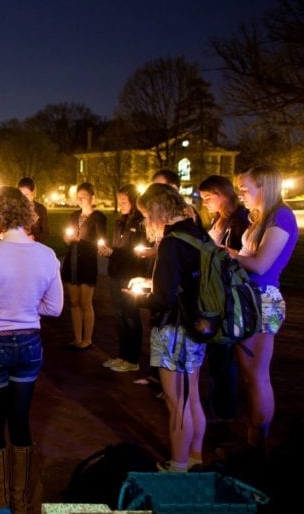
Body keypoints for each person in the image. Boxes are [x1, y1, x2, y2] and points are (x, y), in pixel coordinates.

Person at [0, 186, 63, 514]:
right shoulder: (47, 255)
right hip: (29, 344)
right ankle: (20, 502)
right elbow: (55, 307)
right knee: (20, 420)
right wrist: (25, 306)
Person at [134, 183, 207, 472]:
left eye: (145, 213)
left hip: (173, 329)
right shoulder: (198, 233)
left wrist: (140, 297)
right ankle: (195, 457)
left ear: (157, 209)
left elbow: (163, 298)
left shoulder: (172, 242)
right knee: (193, 396)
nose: (145, 221)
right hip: (197, 325)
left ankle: (177, 466)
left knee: (177, 403)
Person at [229, 165, 298, 453]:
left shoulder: (281, 216)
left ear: (264, 187)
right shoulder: (262, 218)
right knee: (250, 376)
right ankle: (253, 438)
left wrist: (227, 254)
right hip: (250, 299)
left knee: (257, 376)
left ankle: (258, 445)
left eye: (245, 189)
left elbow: (260, 265)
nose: (240, 195)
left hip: (262, 301)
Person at [198, 175, 250, 422]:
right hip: (214, 292)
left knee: (224, 352)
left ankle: (224, 411)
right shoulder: (218, 220)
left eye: (209, 197)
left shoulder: (238, 221)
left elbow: (242, 257)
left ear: (223, 194)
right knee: (217, 354)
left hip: (227, 296)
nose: (205, 202)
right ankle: (218, 405)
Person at [98, 184, 149, 373]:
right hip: (115, 272)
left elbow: (136, 252)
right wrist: (107, 251)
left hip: (130, 274)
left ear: (134, 201)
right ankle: (122, 356)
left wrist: (113, 252)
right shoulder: (120, 222)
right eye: (119, 201)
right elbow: (117, 247)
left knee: (131, 316)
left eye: (124, 201)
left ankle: (133, 359)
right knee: (120, 316)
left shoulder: (140, 223)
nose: (120, 204)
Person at [61, 182, 106, 349]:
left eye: (83, 197)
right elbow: (67, 237)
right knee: (73, 301)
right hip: (72, 261)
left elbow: (101, 241)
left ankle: (87, 339)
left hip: (87, 263)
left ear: (92, 198)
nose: (80, 200)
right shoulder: (74, 216)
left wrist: (83, 241)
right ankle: (77, 337)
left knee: (85, 302)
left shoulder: (98, 218)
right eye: (78, 197)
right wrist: (67, 240)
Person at [17, 177, 50, 242]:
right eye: (21, 195)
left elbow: (46, 233)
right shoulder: (16, 208)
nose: (23, 198)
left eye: (26, 195)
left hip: (35, 246)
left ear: (33, 193)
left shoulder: (40, 209)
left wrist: (34, 237)